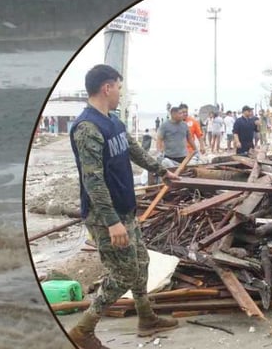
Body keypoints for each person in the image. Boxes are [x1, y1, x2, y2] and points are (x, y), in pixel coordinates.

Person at [67, 64, 180, 348]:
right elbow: (92, 181)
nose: (120, 92)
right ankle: (83, 330)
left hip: (125, 209)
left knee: (141, 263)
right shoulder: (87, 128)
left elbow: (133, 150)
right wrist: (111, 221)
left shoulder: (113, 122)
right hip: (106, 216)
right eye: (118, 87)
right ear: (107, 88)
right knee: (123, 275)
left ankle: (146, 318)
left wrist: (161, 170)